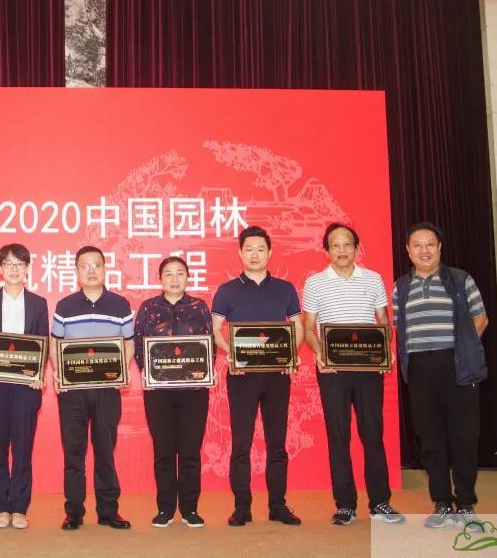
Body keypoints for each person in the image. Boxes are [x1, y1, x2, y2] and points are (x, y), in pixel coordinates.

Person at [303, 223, 404, 526]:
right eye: (335, 245)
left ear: (357, 248)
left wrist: (386, 350)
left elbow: (383, 321)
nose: (342, 250)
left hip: (368, 369)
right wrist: (319, 353)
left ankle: (380, 501)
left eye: (347, 244)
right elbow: (308, 326)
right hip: (332, 369)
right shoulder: (315, 283)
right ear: (326, 250)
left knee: (372, 433)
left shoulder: (373, 279)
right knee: (338, 436)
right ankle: (345, 504)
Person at [392, 222, 488, 529]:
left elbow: (480, 318)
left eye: (430, 244)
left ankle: (466, 504)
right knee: (430, 439)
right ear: (408, 251)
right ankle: (442, 503)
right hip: (420, 370)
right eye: (417, 245)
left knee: (463, 437)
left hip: (457, 367)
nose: (424, 250)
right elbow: (396, 328)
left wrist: (463, 349)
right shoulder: (400, 287)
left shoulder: (460, 279)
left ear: (439, 248)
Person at [211, 226, 304, 527]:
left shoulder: (285, 289)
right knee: (241, 442)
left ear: (270, 252)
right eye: (249, 249)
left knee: (277, 442)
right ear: (240, 253)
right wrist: (231, 353)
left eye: (260, 249)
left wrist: (290, 353)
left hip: (277, 374)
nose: (254, 254)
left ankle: (278, 505)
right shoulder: (227, 290)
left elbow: (297, 326)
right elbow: (215, 330)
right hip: (242, 375)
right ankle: (242, 507)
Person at [52, 245, 134, 530]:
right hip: (72, 391)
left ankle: (108, 511)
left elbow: (129, 343)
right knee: (73, 451)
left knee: (105, 450)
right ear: (76, 271)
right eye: (84, 266)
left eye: (96, 265)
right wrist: (59, 373)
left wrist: (122, 369)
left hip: (107, 389)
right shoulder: (64, 306)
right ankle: (74, 511)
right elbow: (56, 343)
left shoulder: (120, 304)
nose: (91, 271)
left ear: (104, 268)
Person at [0, 243, 50, 530]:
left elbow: (43, 342)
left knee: (22, 446)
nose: (14, 269)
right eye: (8, 263)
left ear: (28, 268)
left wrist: (38, 373)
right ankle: (1, 506)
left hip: (26, 386)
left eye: (20, 264)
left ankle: (19, 507)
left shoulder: (38, 303)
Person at [134, 255, 212, 529]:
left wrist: (205, 369)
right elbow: (139, 344)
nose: (175, 279)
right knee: (164, 450)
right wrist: (147, 371)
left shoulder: (199, 307)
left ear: (188, 277)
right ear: (160, 279)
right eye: (169, 273)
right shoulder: (148, 308)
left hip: (194, 390)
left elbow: (209, 343)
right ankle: (165, 509)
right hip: (159, 391)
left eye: (180, 273)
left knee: (190, 450)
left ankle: (190, 509)